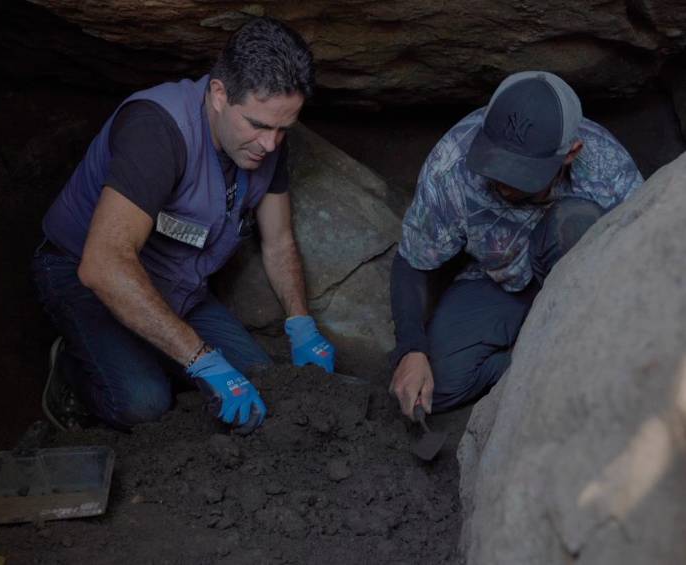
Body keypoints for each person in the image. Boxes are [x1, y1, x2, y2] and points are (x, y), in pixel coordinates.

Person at [32, 17, 335, 434]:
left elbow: (278, 241)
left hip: (177, 285)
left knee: (264, 382)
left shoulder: (268, 145)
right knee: (145, 403)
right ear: (218, 94)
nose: (271, 144)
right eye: (259, 125)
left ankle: (151, 348)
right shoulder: (157, 130)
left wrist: (301, 324)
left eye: (284, 129)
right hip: (83, 274)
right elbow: (102, 265)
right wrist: (202, 359)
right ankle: (73, 369)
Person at [389, 71, 643, 418]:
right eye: (496, 164)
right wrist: (410, 349)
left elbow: (643, 261)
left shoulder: (607, 167)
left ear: (571, 153)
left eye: (521, 173)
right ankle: (537, 367)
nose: (505, 183)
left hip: (580, 286)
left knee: (578, 222)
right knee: (438, 386)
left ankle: (580, 360)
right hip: (496, 278)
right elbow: (413, 261)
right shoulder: (451, 164)